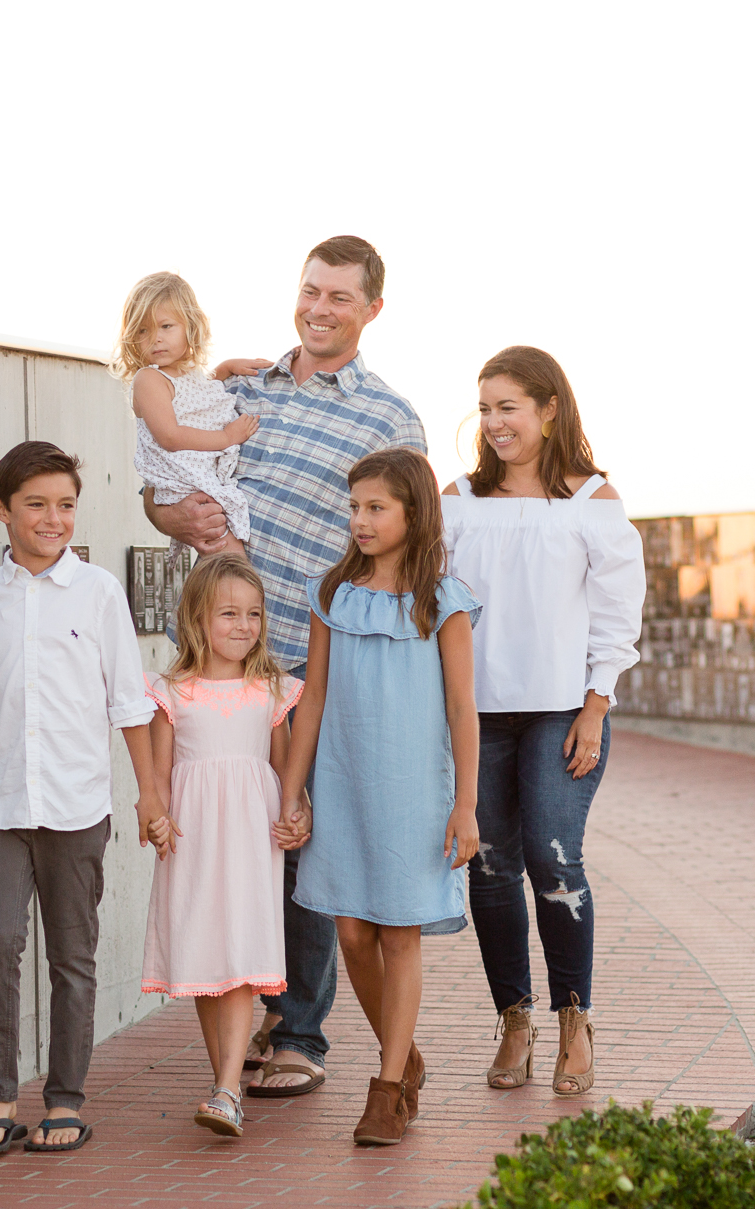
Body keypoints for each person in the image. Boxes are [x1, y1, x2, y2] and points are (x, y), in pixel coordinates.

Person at [146, 235, 424, 1098]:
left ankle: (297, 1028)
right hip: (215, 660)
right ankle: (243, 1008)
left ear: (371, 309)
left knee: (293, 838)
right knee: (217, 837)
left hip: (308, 662)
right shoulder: (233, 388)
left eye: (340, 297)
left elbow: (403, 545)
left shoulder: (391, 417)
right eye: (311, 291)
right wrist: (170, 514)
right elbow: (164, 476)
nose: (320, 308)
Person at [0, 441, 168, 1156]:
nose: (53, 518)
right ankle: (1, 1094)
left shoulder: (97, 593)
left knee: (72, 954)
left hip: (76, 803)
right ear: (1, 509)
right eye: (36, 504)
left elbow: (130, 703)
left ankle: (65, 1098)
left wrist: (148, 793)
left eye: (65, 504)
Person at [441, 346, 645, 1098]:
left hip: (564, 707)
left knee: (554, 860)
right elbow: (437, 602)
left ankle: (573, 1018)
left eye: (509, 408)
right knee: (490, 867)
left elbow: (620, 613)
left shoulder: (592, 500)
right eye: (485, 408)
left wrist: (596, 706)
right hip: (479, 712)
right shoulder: (458, 497)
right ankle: (515, 1019)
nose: (494, 423)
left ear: (549, 408)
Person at [273, 448, 481, 1145]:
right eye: (354, 506)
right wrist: (293, 789)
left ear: (414, 513)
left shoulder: (443, 603)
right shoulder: (332, 594)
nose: (360, 520)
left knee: (398, 930)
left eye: (376, 507)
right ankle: (406, 1051)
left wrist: (466, 804)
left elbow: (462, 707)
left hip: (415, 788)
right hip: (343, 781)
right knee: (352, 932)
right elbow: (315, 696)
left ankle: (387, 1088)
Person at [140, 553, 302, 1138]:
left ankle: (229, 1089)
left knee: (236, 956)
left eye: (253, 614)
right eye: (228, 613)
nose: (243, 625)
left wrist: (296, 812)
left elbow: (285, 772)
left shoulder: (271, 690)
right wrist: (155, 817)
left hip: (251, 838)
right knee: (205, 959)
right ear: (196, 620)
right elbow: (157, 777)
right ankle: (224, 1087)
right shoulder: (170, 691)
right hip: (194, 838)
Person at [113, 272, 260, 559]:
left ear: (190, 327)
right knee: (231, 562)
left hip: (198, 480)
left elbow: (195, 398)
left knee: (226, 563)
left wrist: (225, 368)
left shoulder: (185, 375)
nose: (155, 339)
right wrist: (226, 437)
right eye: (143, 331)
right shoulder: (148, 380)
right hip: (185, 485)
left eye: (166, 326)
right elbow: (170, 436)